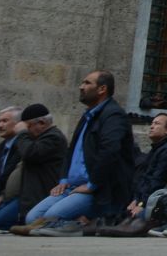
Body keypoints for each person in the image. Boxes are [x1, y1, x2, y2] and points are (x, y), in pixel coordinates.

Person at [25, 70, 134, 227]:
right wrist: (63, 179)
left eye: (87, 83)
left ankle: (85, 225)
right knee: (32, 218)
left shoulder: (113, 115)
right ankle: (78, 222)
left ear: (102, 89)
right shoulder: (88, 115)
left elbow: (109, 152)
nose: (81, 87)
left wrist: (92, 185)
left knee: (50, 218)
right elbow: (71, 151)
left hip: (97, 190)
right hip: (72, 187)